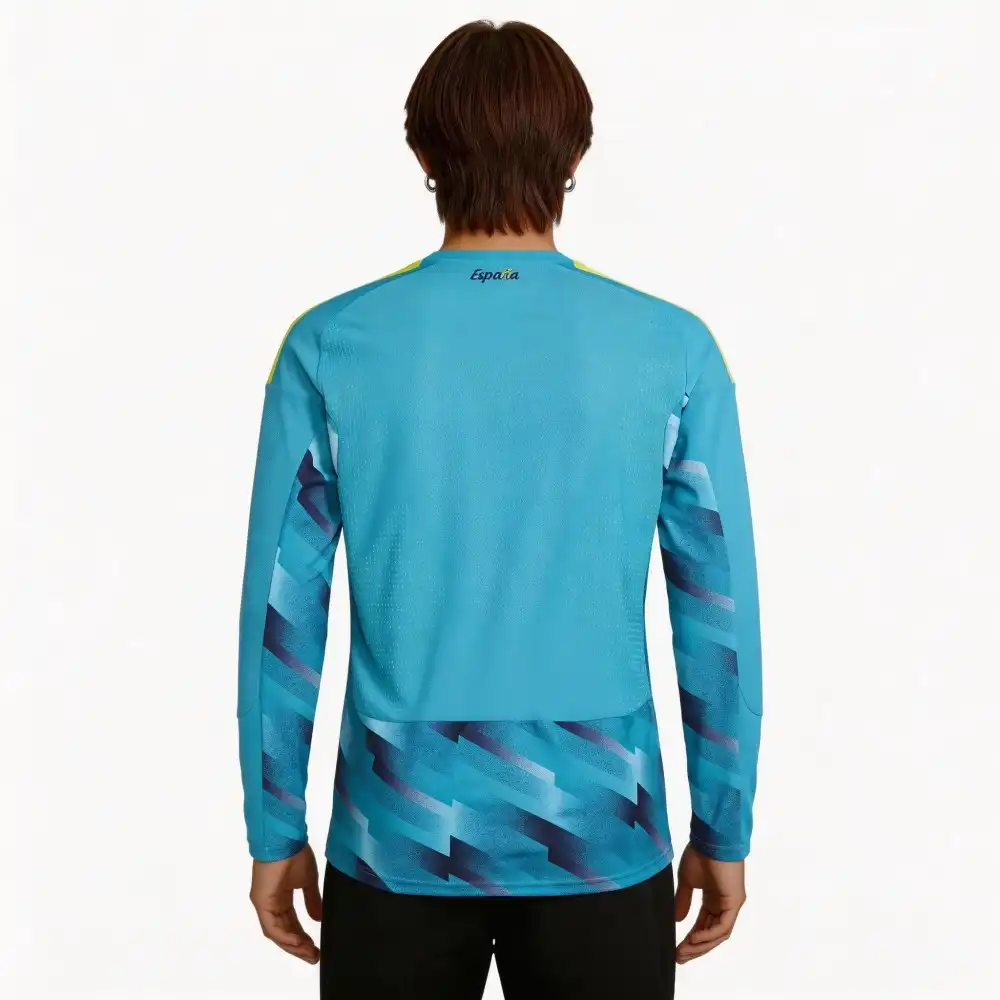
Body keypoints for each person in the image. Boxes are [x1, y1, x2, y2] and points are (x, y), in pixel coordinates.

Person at [237, 19, 762, 1000]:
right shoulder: (672, 349)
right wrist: (722, 828)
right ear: (575, 153)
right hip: (601, 826)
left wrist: (276, 830)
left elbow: (282, 614)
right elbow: (717, 616)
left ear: (422, 151)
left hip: (395, 827)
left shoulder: (331, 343)